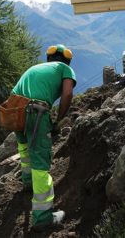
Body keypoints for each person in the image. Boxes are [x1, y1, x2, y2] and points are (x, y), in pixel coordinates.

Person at [12, 44, 76, 231]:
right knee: (41, 163)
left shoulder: (34, 68)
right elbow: (68, 93)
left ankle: (27, 183)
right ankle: (43, 218)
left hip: (15, 110)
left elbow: (14, 92)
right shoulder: (65, 69)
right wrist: (59, 118)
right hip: (36, 112)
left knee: (24, 149)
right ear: (67, 60)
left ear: (49, 59)